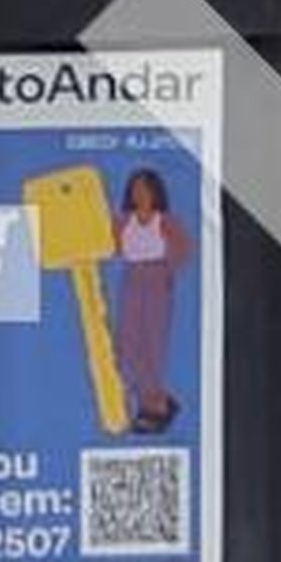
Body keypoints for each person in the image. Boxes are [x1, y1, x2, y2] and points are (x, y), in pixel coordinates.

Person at [110, 165, 191, 435]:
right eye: (135, 190)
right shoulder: (122, 221)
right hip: (131, 281)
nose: (139, 195)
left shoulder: (165, 221)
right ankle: (153, 400)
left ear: (155, 192)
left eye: (144, 190)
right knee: (127, 344)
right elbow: (107, 244)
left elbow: (182, 249)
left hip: (156, 281)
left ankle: (153, 407)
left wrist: (165, 273)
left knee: (152, 345)